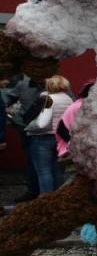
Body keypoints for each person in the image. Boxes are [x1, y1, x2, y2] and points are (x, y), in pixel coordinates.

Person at [24, 75, 73, 194]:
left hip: (43, 138)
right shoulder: (68, 99)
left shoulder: (48, 99)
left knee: (44, 171)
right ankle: (58, 198)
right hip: (61, 139)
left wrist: (28, 128)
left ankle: (45, 198)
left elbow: (42, 123)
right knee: (57, 171)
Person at [4, 74, 44, 202]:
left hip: (43, 130)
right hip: (27, 129)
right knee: (33, 162)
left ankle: (43, 194)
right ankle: (35, 192)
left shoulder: (56, 81)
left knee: (44, 164)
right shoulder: (25, 83)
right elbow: (8, 98)